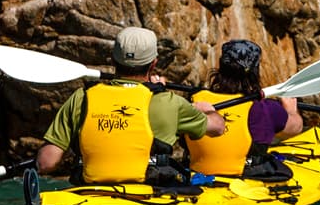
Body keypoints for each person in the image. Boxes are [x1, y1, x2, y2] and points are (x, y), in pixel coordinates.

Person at [35, 27, 225, 184]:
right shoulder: (169, 102)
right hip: (147, 197)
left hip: (89, 197)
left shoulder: (82, 98)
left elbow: (46, 163)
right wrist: (208, 109)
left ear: (113, 60)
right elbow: (218, 128)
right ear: (153, 64)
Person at [189, 39, 304, 181]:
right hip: (246, 178)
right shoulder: (265, 109)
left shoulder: (195, 100)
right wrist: (291, 110)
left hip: (198, 174)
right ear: (256, 71)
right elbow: (295, 128)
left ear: (221, 66)